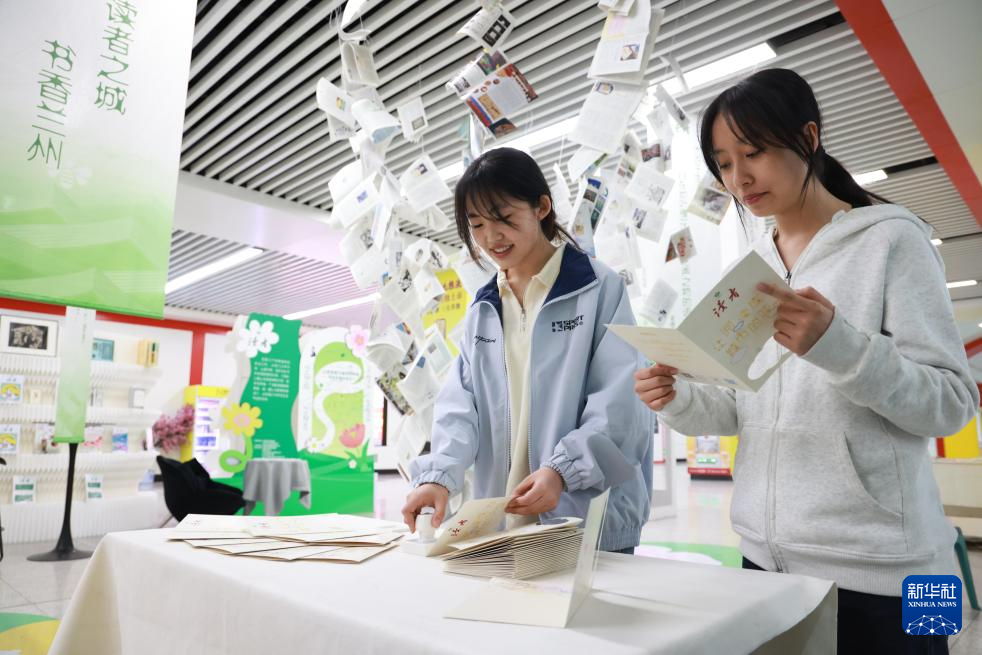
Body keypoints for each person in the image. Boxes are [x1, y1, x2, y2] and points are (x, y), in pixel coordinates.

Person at [634, 68, 978, 654]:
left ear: (809, 138)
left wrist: (840, 346)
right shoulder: (751, 267)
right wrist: (678, 399)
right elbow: (743, 407)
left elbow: (953, 404)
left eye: (754, 153)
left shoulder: (895, 239)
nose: (739, 178)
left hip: (905, 572)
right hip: (764, 561)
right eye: (723, 163)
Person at [403, 147, 652, 553]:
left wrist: (563, 472)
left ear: (542, 207)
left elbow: (621, 403)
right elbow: (460, 409)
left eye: (503, 218)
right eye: (477, 224)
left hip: (584, 523)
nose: (490, 238)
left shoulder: (598, 289)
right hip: (501, 528)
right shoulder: (483, 309)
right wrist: (438, 477)